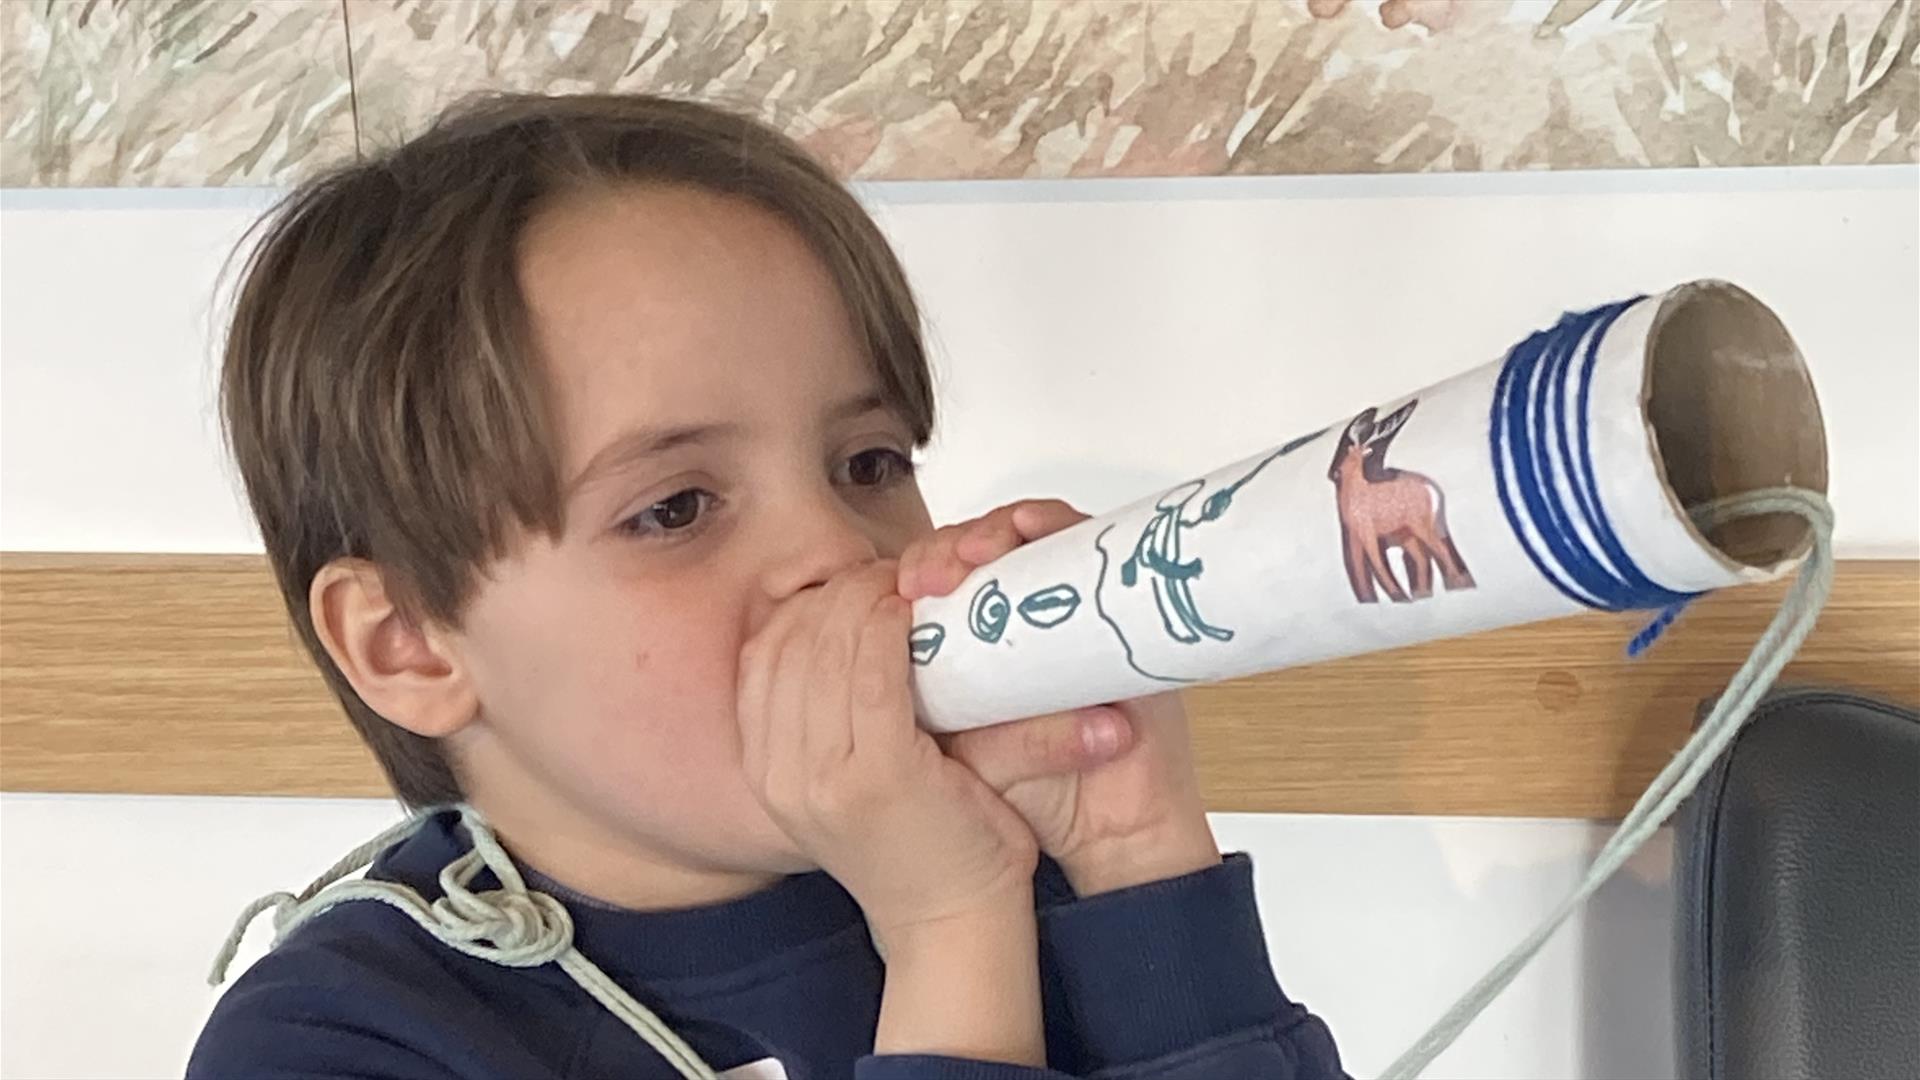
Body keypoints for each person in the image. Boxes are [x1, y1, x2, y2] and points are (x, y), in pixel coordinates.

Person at [188, 92, 1346, 1080]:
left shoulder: (1022, 867)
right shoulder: (336, 1038)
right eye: (674, 509)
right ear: (410, 644)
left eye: (869, 464)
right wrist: (949, 941)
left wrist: (1143, 860)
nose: (845, 553)